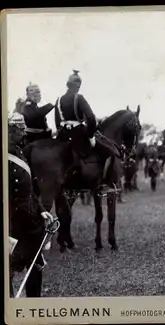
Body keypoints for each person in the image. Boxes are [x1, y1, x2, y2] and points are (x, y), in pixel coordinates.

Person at [8, 112, 56, 297]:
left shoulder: (19, 150)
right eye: (21, 130)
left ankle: (34, 306)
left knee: (35, 266)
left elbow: (30, 190)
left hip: (30, 220)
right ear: (11, 131)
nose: (24, 134)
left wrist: (42, 210)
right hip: (15, 223)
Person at [55, 70, 120, 195]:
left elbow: (57, 121)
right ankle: (105, 184)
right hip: (79, 135)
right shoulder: (79, 98)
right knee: (110, 152)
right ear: (77, 85)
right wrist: (90, 135)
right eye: (78, 85)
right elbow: (91, 118)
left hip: (63, 135)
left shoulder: (58, 100)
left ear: (67, 84)